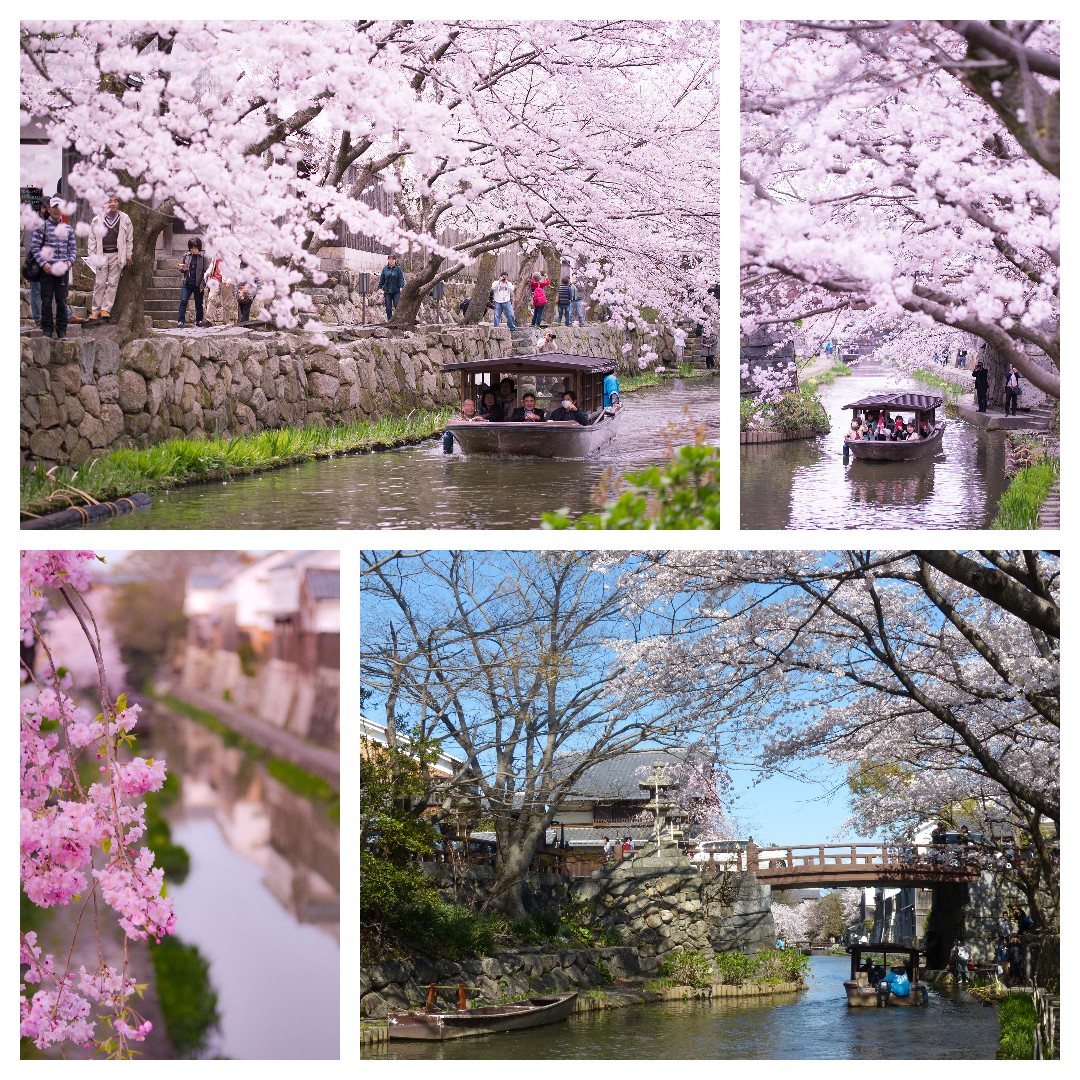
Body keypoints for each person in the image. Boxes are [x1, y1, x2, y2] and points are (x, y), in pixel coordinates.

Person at [32, 196, 77, 340]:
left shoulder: (68, 229)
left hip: (62, 271)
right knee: (46, 300)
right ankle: (47, 330)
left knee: (61, 301)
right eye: (54, 207)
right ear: (49, 209)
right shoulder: (42, 227)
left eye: (59, 207)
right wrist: (44, 264)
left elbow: (73, 249)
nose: (57, 210)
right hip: (47, 270)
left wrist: (70, 262)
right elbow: (35, 248)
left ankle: (62, 330)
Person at [87, 194, 133, 322]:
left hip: (117, 254)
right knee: (100, 283)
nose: (112, 204)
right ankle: (95, 310)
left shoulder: (125, 219)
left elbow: (129, 239)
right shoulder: (97, 220)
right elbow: (92, 240)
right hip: (101, 254)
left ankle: (105, 309)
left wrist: (128, 256)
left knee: (113, 283)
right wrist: (92, 255)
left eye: (115, 201)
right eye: (109, 201)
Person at [176, 238, 208, 327]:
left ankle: (199, 321)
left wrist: (202, 284)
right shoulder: (186, 256)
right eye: (191, 248)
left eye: (195, 248)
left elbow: (206, 273)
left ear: (199, 248)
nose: (193, 250)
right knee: (183, 301)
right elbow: (181, 268)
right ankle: (180, 321)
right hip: (187, 283)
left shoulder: (203, 258)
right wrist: (182, 269)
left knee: (198, 303)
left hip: (198, 284)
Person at [377, 254, 405, 321]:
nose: (391, 261)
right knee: (388, 307)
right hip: (387, 291)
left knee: (397, 304)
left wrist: (401, 287)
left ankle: (398, 320)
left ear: (395, 260)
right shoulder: (385, 269)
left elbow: (401, 279)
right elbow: (382, 279)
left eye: (392, 259)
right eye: (390, 259)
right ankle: (389, 320)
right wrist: (379, 288)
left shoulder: (398, 269)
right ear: (388, 260)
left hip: (396, 290)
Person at [234, 258, 259, 324]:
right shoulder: (237, 266)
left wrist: (254, 292)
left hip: (250, 291)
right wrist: (235, 293)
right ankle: (244, 324)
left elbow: (257, 281)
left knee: (246, 309)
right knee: (242, 309)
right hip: (240, 292)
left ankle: (242, 325)